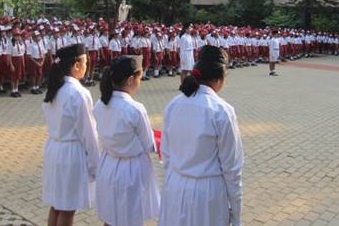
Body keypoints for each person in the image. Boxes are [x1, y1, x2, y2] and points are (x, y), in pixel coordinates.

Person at [159, 45, 243, 226]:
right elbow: (232, 169)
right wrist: (236, 214)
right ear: (220, 77)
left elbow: (166, 155)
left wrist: (172, 183)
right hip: (207, 194)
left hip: (175, 185)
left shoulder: (174, 104)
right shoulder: (221, 111)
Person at [94, 55, 160, 226]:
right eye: (140, 77)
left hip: (108, 166)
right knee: (131, 218)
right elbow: (149, 145)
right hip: (131, 171)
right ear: (131, 79)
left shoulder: (100, 104)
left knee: (111, 217)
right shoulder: (135, 109)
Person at [42, 44, 99, 226]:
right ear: (76, 66)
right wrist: (95, 167)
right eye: (85, 62)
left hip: (54, 149)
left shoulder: (55, 89)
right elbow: (88, 134)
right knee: (67, 209)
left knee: (56, 205)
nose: (87, 66)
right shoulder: (78, 93)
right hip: (71, 154)